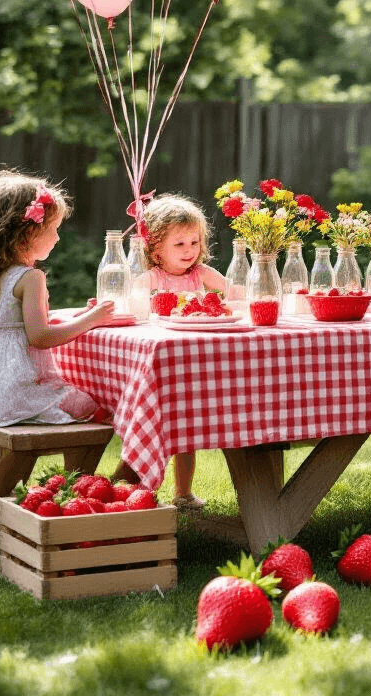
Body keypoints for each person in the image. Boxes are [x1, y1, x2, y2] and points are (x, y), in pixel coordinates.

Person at [0, 170, 117, 562]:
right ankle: (57, 504)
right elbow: (39, 337)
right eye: (55, 229)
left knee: (30, 441)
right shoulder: (31, 277)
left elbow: (18, 327)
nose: (59, 237)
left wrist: (72, 319)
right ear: (27, 232)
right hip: (18, 388)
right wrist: (92, 320)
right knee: (91, 411)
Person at [141, 193, 227, 511]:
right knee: (159, 432)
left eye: (194, 242)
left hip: (194, 364)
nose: (189, 251)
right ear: (154, 247)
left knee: (187, 434)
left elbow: (234, 290)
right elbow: (131, 301)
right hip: (162, 366)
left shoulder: (201, 275)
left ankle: (183, 492)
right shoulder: (151, 279)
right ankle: (143, 490)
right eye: (179, 244)